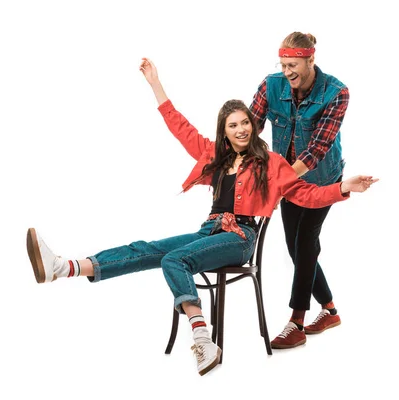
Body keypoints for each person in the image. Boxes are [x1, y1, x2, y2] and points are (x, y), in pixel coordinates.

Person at [25, 57, 377, 376]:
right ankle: (63, 267)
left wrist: (344, 188)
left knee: (174, 260)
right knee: (147, 248)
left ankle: (202, 339)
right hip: (209, 232)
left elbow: (308, 195)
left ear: (253, 127)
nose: (240, 130)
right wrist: (156, 85)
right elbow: (181, 128)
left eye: (244, 123)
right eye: (232, 125)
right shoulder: (215, 157)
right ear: (224, 132)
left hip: (239, 238)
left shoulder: (271, 164)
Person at [249, 32, 353, 349]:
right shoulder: (271, 85)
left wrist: (279, 181)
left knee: (305, 241)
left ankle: (296, 321)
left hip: (321, 178)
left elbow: (317, 149)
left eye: (293, 65)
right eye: (283, 65)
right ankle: (331, 310)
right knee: (297, 250)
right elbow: (250, 125)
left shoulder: (337, 92)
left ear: (310, 60)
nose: (287, 72)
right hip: (287, 178)